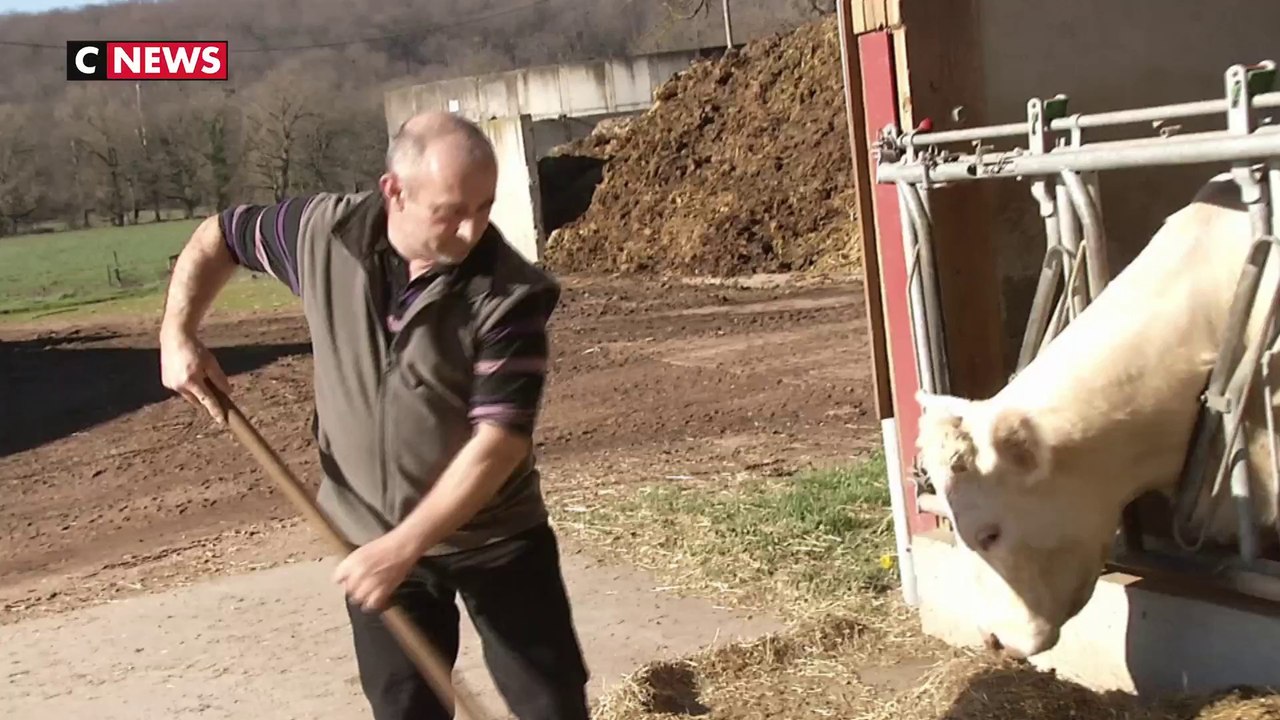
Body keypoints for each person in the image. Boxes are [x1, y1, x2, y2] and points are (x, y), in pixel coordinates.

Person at [159, 111, 591, 720]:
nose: (472, 229)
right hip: (372, 535)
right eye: (450, 211)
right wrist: (177, 332)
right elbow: (221, 235)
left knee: (551, 705)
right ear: (395, 191)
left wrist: (403, 547)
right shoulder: (322, 235)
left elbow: (499, 443)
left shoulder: (510, 294)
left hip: (493, 535)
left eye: (484, 206)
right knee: (405, 709)